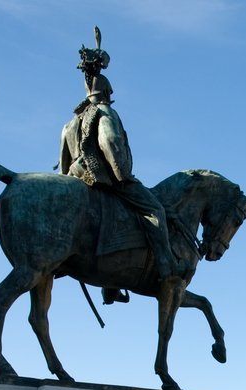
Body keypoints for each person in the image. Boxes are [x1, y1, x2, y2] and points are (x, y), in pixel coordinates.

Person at [60, 72, 180, 301]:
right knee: (155, 210)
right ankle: (167, 269)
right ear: (105, 93)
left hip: (76, 178)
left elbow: (63, 164)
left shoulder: (70, 123)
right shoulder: (105, 112)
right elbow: (111, 142)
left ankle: (111, 285)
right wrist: (123, 176)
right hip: (102, 175)